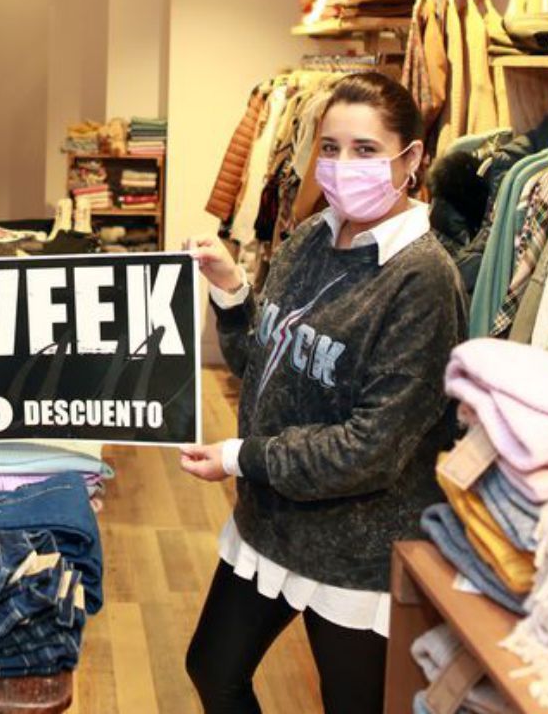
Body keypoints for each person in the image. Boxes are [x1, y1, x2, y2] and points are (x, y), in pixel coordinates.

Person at [180, 72, 466, 714]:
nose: (341, 166)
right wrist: (231, 294)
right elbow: (262, 362)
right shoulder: (312, 235)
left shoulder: (422, 280)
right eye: (330, 148)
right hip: (272, 524)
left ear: (411, 158)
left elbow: (371, 448)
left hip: (356, 551)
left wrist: (240, 458)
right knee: (212, 670)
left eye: (365, 150)